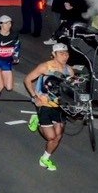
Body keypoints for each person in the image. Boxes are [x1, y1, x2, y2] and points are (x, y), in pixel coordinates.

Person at [25, 41, 71, 171]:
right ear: (54, 54)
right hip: (44, 105)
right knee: (50, 136)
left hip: (60, 107)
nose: (65, 56)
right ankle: (38, 119)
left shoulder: (69, 70)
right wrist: (35, 97)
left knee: (58, 136)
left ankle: (45, 158)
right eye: (61, 53)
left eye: (66, 53)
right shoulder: (45, 67)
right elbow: (27, 79)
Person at [0, 15, 20, 114]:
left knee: (9, 87)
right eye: (6, 23)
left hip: (7, 61)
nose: (9, 25)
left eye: (10, 23)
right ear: (1, 24)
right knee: (0, 85)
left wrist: (15, 56)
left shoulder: (14, 35)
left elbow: (16, 47)